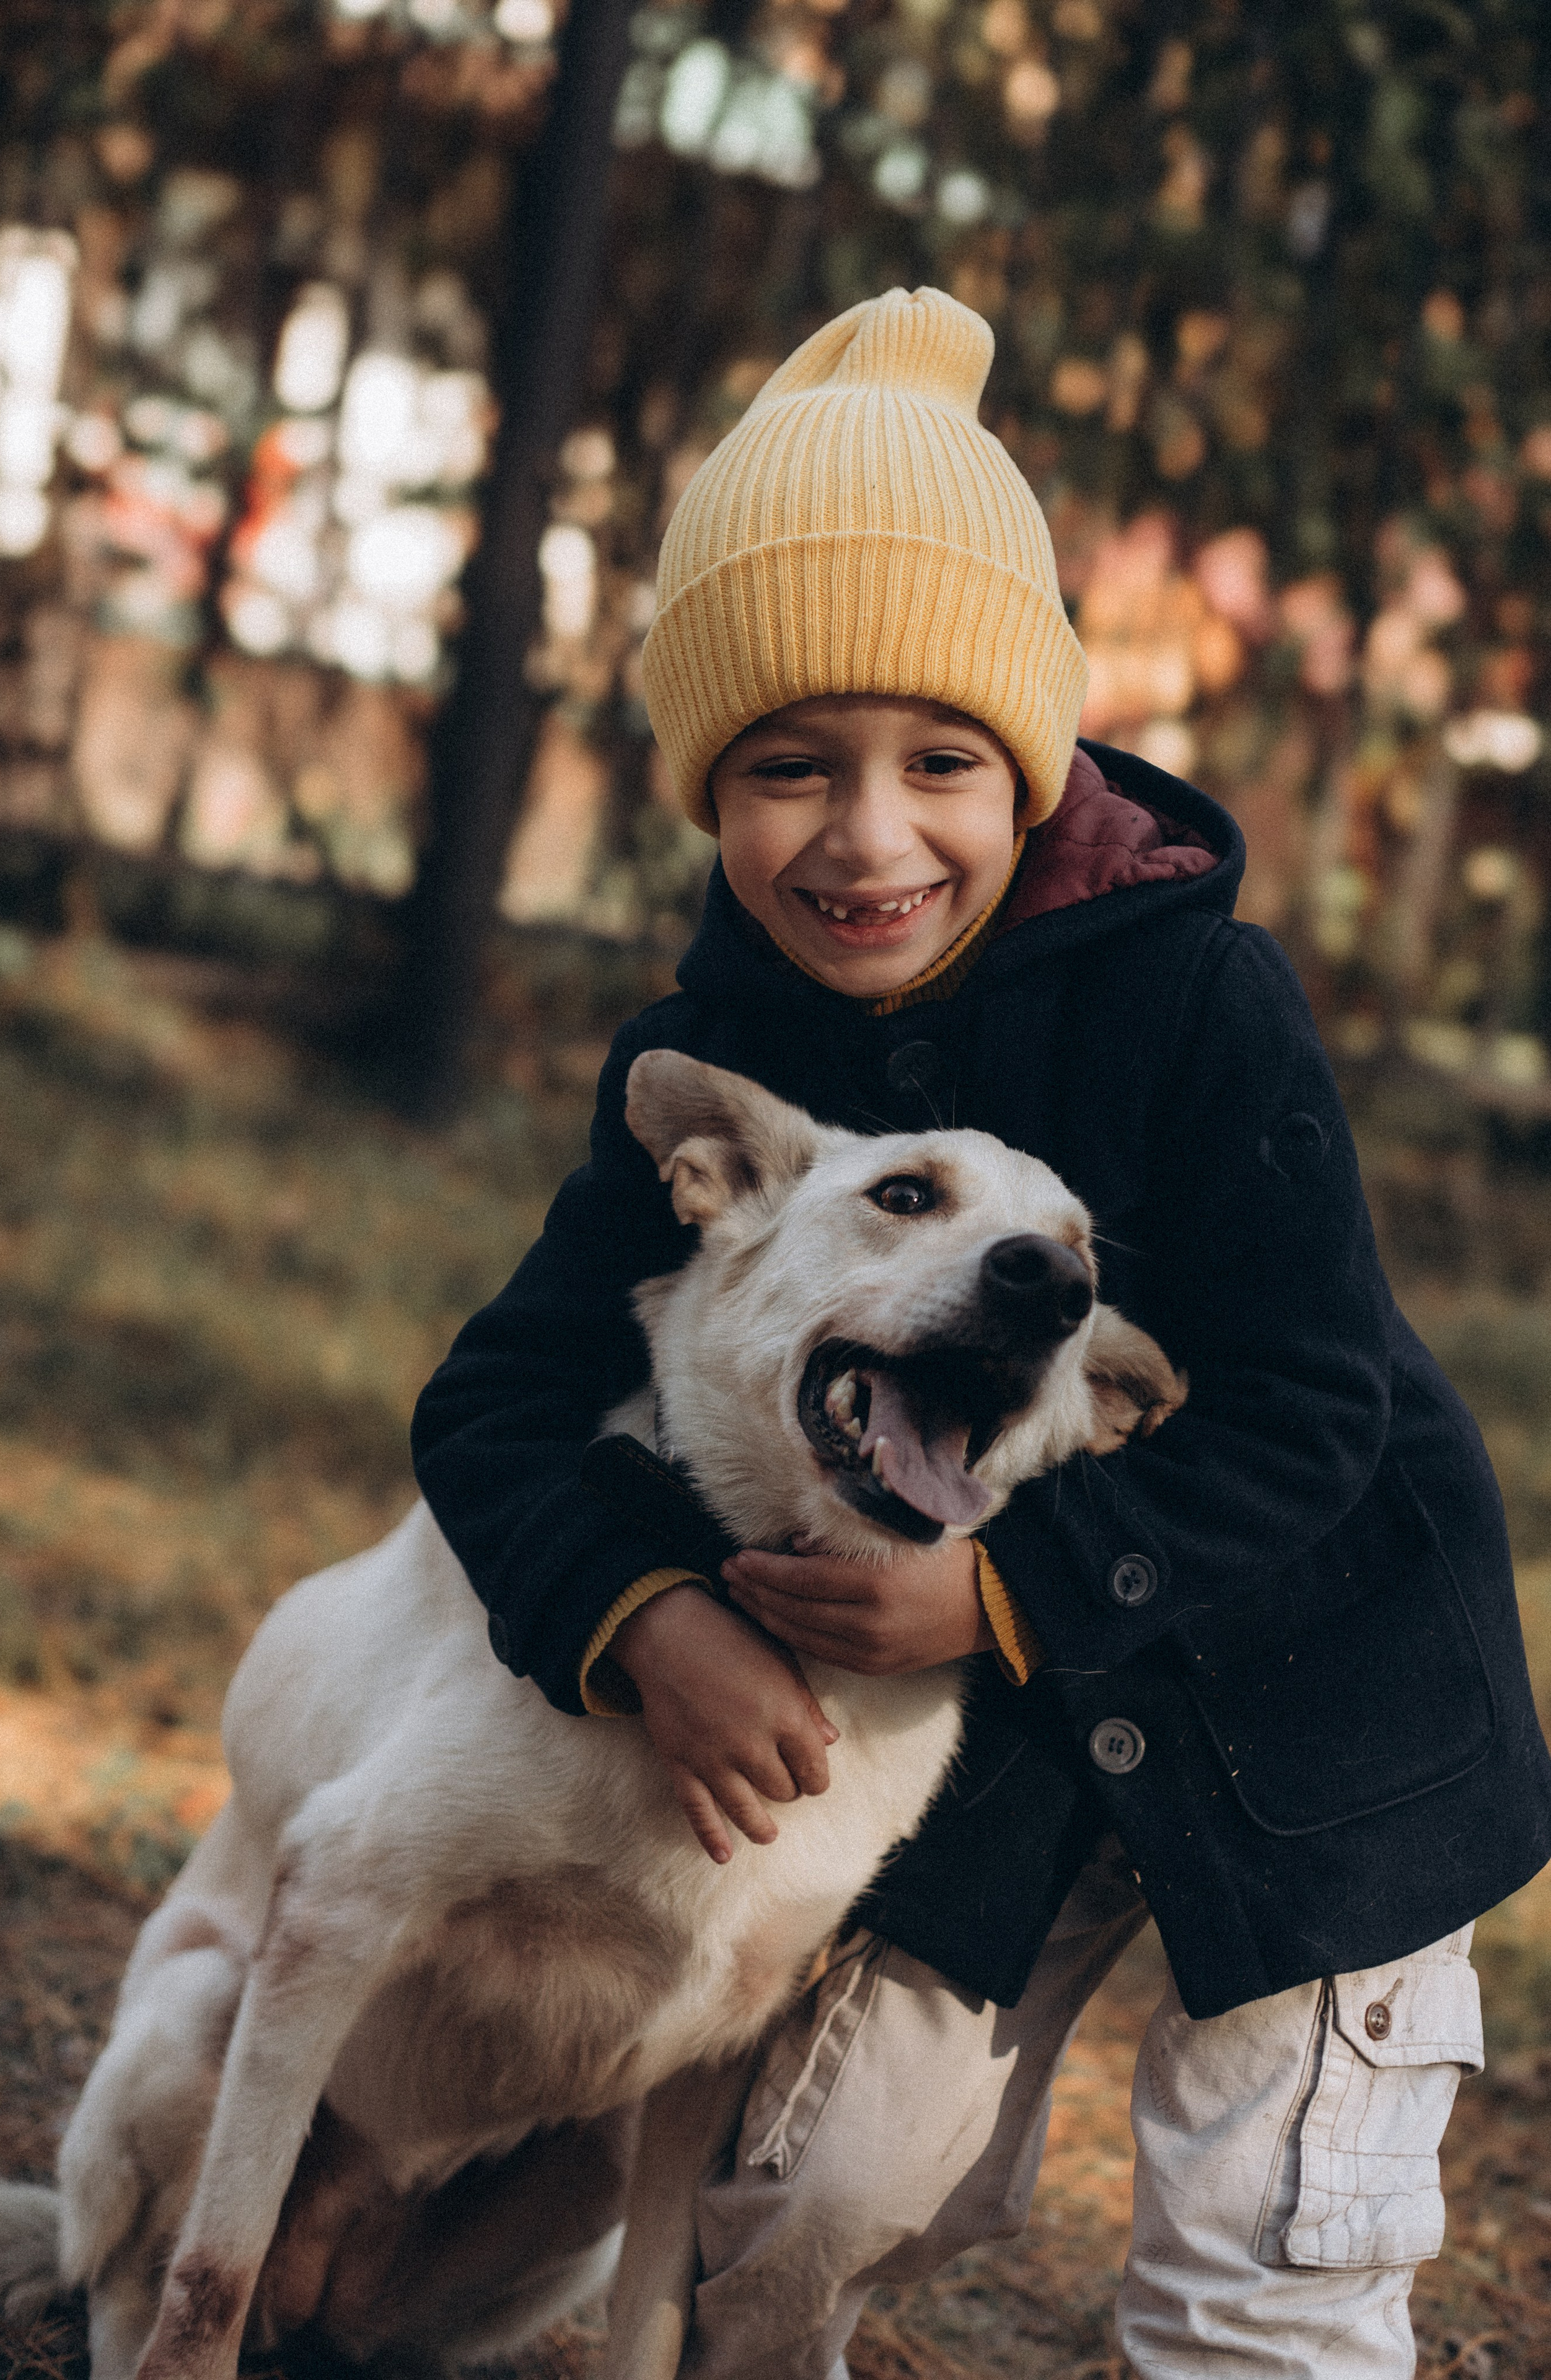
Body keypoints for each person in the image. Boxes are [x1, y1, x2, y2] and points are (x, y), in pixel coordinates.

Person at [411, 287, 1551, 2379]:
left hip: (1324, 1714)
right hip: (991, 1754)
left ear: (1028, 763)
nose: (866, 837)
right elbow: (490, 1402)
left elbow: (1315, 1407)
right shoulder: (716, 1071)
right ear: (705, 790)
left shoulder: (1203, 1002)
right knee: (800, 2207)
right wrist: (642, 1608)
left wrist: (1007, 1584)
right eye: (786, 768)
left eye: (941, 760)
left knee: (1267, 2268)